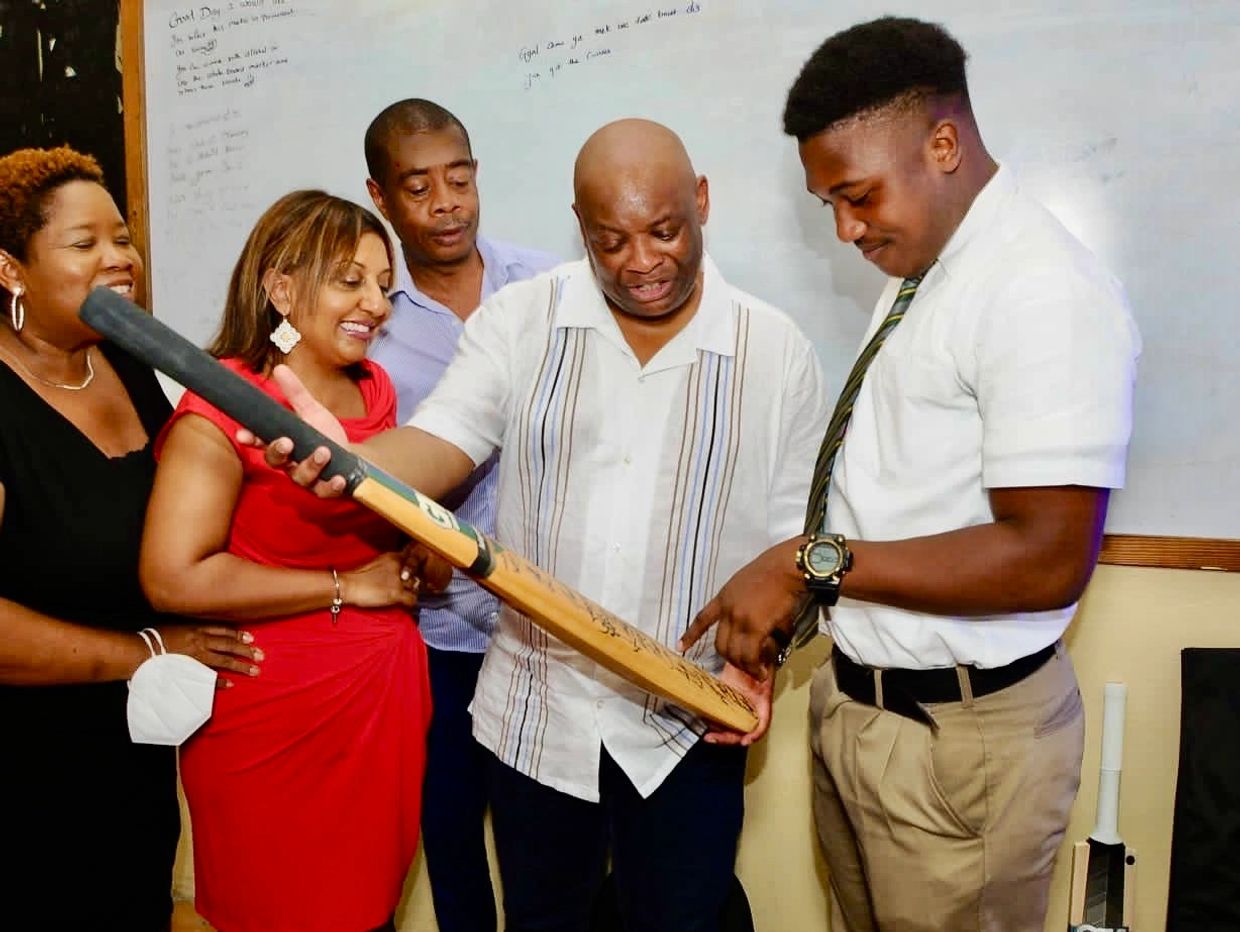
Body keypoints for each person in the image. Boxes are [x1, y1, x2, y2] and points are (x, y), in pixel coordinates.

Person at [252, 119, 828, 932]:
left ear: (701, 203)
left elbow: (790, 547)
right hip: (534, 722)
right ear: (578, 224)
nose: (640, 261)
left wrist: (764, 654)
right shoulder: (521, 321)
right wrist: (354, 460)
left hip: (690, 726)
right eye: (610, 240)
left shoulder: (776, 352)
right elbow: (439, 443)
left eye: (664, 231)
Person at [681, 17, 1141, 932]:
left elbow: (1047, 557)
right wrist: (798, 630)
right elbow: (893, 488)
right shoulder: (928, 266)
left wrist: (807, 563)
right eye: (829, 207)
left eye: (858, 195)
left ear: (943, 143)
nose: (847, 229)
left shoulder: (1039, 288)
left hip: (959, 748)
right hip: (869, 712)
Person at [140, 190, 449, 932]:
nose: (374, 303)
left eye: (382, 284)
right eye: (349, 280)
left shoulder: (376, 388)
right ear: (281, 288)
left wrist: (418, 554)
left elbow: (383, 527)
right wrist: (348, 587)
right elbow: (173, 575)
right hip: (274, 715)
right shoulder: (223, 403)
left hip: (384, 708)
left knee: (367, 912)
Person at [0, 146, 259, 930]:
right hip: (23, 777)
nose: (120, 259)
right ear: (11, 270)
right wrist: (149, 652)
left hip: (128, 757)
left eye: (122, 237)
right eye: (84, 245)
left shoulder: (128, 362)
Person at [363, 98, 558, 932]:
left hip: (547, 622)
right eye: (419, 186)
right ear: (380, 197)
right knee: (449, 835)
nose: (447, 202)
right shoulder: (369, 322)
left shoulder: (549, 285)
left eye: (460, 178)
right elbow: (365, 460)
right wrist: (414, 531)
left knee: (546, 845)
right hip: (436, 632)